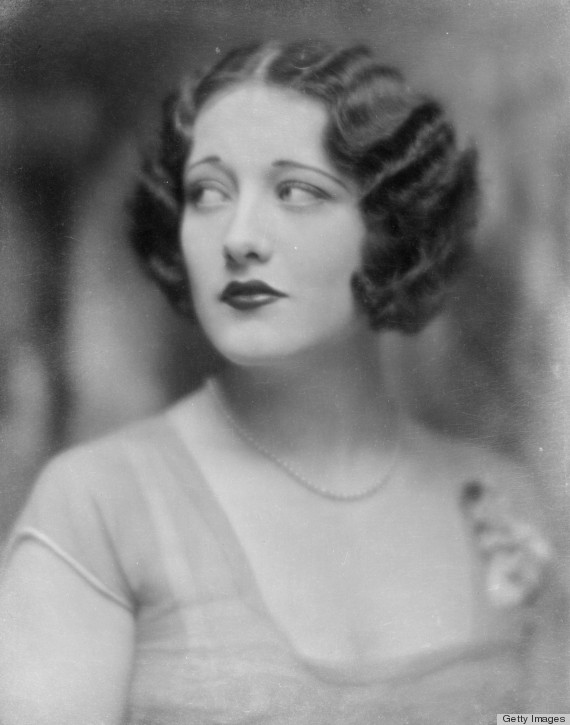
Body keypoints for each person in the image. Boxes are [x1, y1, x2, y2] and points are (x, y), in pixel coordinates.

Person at [0, 39, 562, 724]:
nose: (239, 238)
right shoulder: (95, 505)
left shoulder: (500, 509)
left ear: (390, 227)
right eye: (208, 193)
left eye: (295, 191)